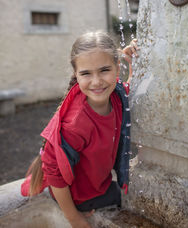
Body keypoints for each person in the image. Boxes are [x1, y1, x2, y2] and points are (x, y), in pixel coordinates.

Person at [21, 31, 139, 228]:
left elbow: (131, 91)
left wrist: (134, 61)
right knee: (136, 199)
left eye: (104, 70)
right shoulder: (77, 122)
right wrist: (74, 218)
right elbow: (53, 169)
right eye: (86, 73)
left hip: (94, 183)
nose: (96, 81)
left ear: (117, 68)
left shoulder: (116, 94)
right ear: (76, 74)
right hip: (79, 196)